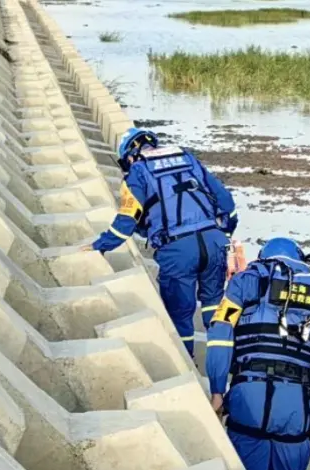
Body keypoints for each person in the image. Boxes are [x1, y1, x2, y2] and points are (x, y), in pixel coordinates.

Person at [205, 237, 310, 470]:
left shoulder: (245, 281)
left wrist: (218, 389)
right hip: (296, 407)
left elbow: (220, 334)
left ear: (263, 257)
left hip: (249, 400)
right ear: (300, 259)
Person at [84, 127, 237, 356]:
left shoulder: (138, 170)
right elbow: (226, 202)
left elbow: (128, 218)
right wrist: (225, 234)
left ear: (130, 155)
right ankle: (224, 364)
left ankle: (188, 363)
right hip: (214, 240)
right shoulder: (187, 158)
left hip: (177, 249)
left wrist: (100, 245)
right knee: (214, 306)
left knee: (180, 315)